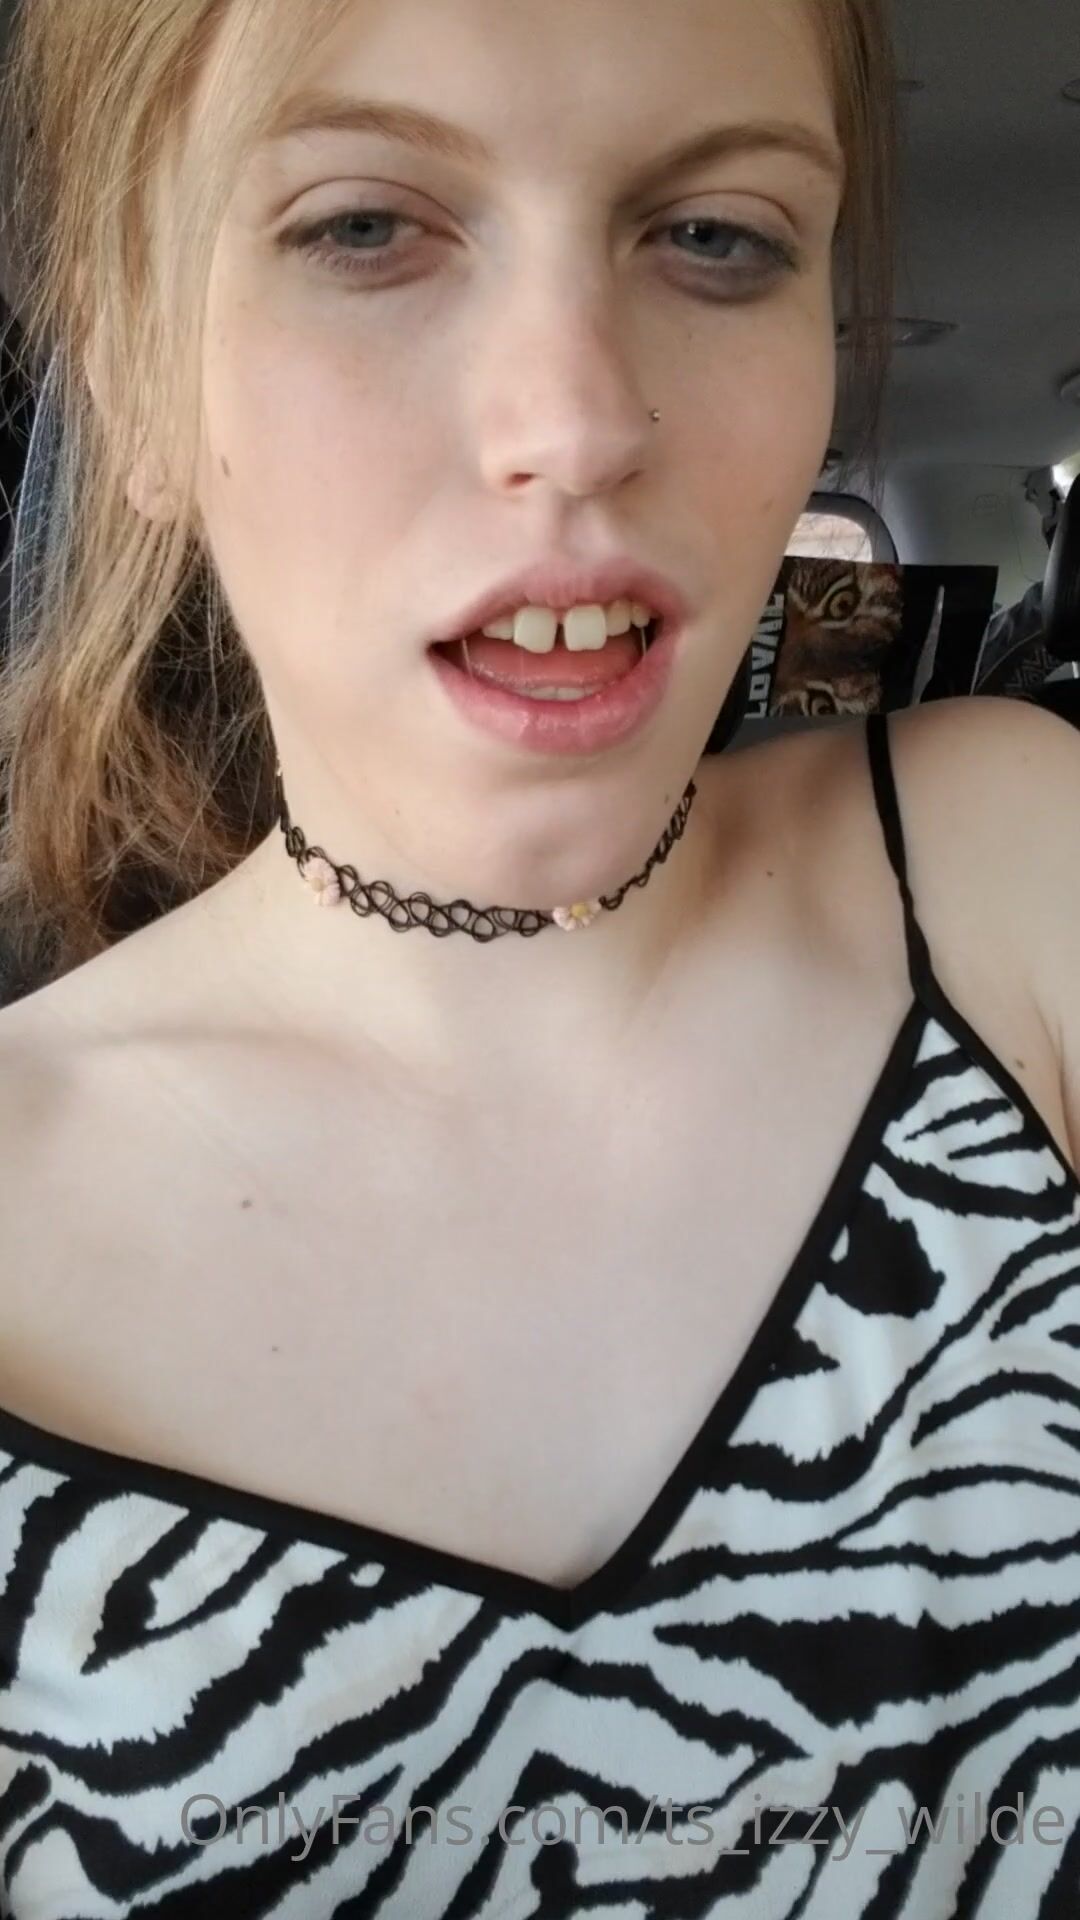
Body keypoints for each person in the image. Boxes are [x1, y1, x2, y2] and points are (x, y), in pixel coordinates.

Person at [0, 2, 1079, 1916]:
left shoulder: (1012, 879)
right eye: (362, 229)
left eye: (717, 237)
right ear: (135, 372)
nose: (577, 424)